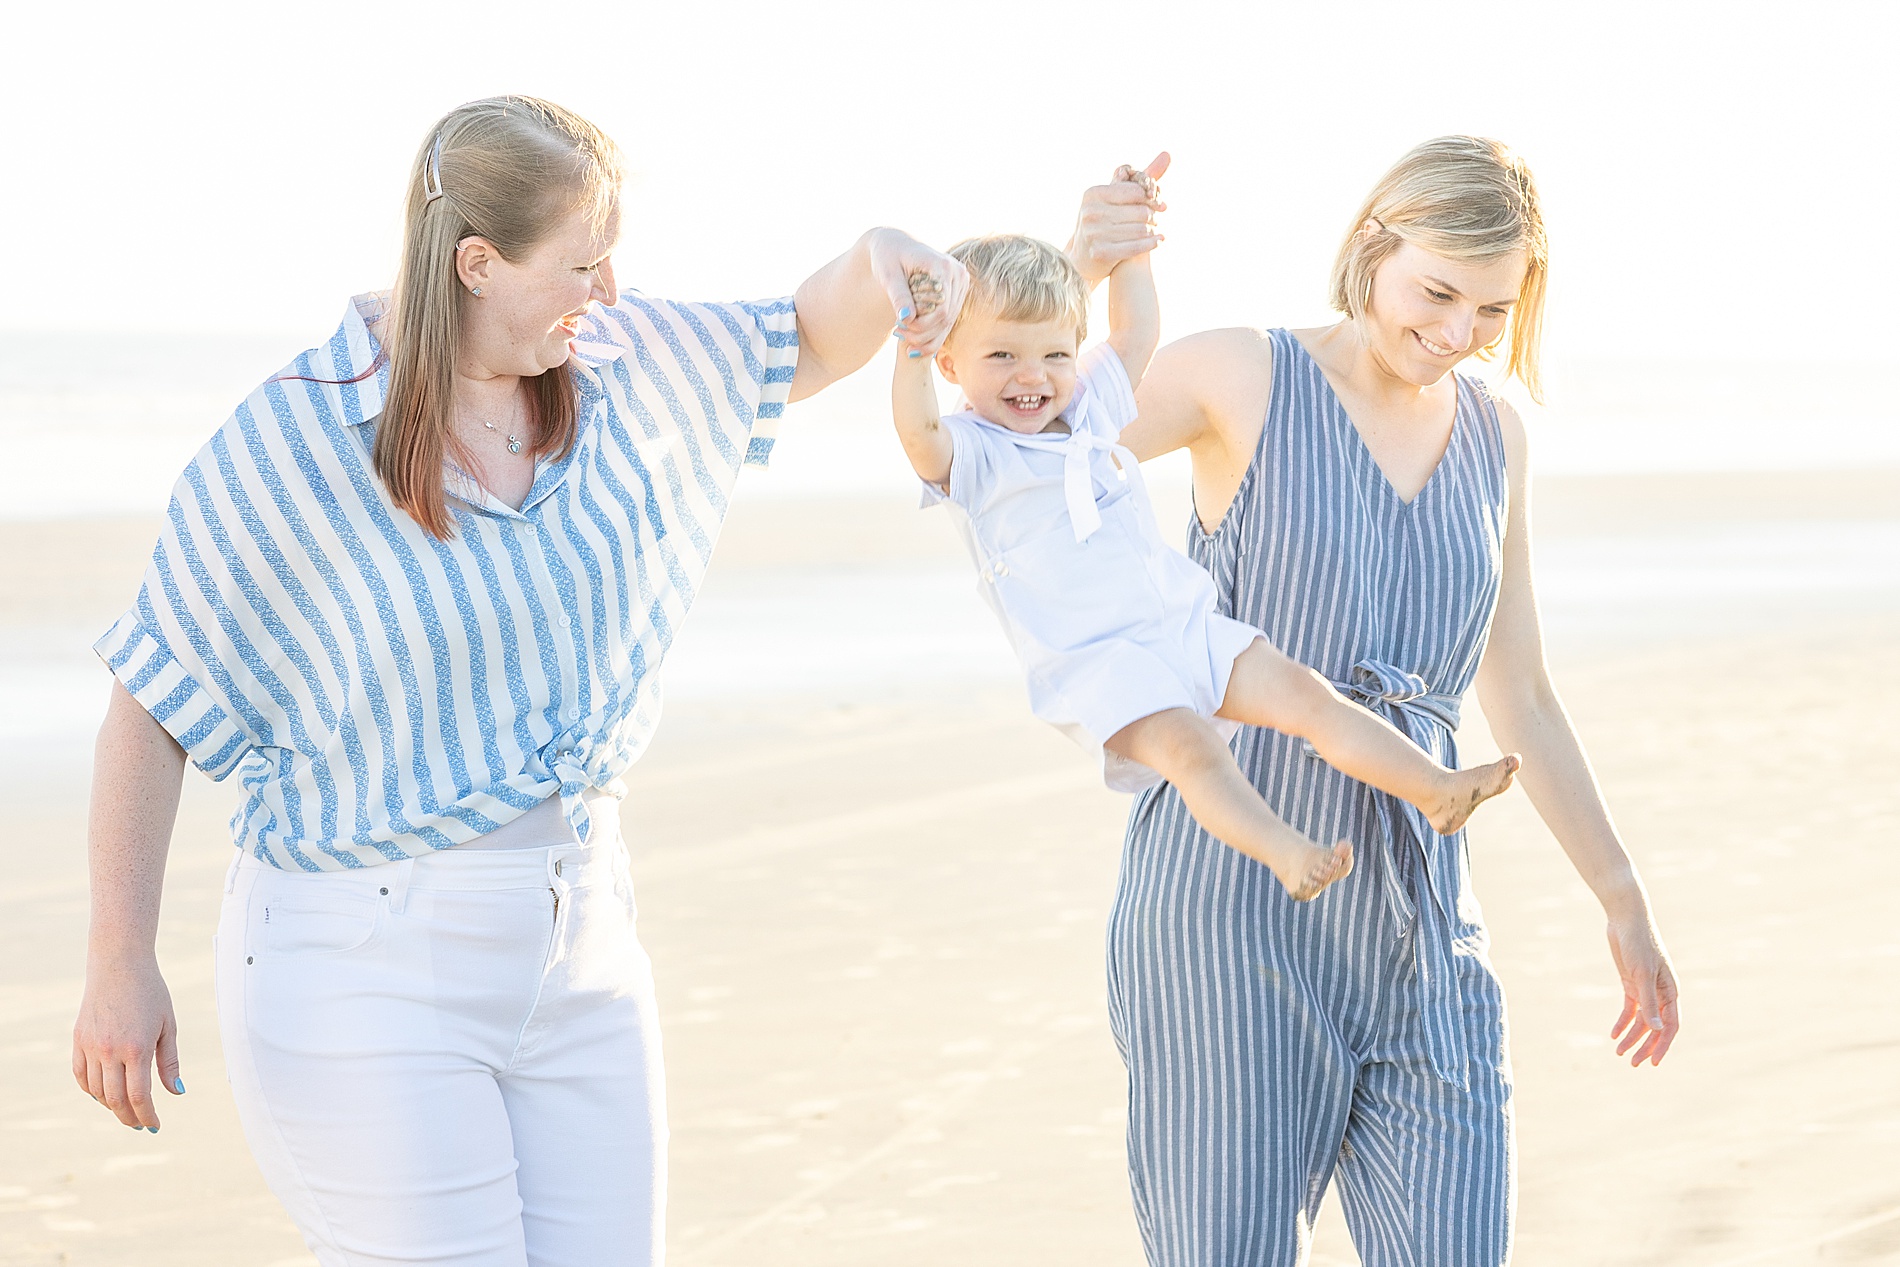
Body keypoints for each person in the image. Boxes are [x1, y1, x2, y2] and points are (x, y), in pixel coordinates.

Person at [70, 95, 976, 1267]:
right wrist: (117, 962)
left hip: (586, 949)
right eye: (583, 265)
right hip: (363, 974)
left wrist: (885, 257)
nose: (609, 292)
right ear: (477, 264)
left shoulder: (620, 365)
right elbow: (150, 705)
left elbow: (803, 331)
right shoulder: (292, 443)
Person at [1071, 137, 1683, 1265]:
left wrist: (1621, 894)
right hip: (1232, 897)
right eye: (1436, 292)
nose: (1457, 333)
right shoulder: (1238, 373)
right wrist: (1083, 270)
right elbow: (1038, 450)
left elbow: (1523, 694)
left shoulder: (1496, 435)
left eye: (1492, 308)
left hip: (1420, 917)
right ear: (1372, 246)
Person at [891, 215, 1522, 903]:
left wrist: (1133, 243)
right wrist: (912, 349)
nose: (1032, 377)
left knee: (1307, 692)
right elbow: (918, 433)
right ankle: (1286, 852)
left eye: (1054, 355)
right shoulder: (977, 453)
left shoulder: (1088, 409)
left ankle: (1435, 789)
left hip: (1181, 622)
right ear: (952, 364)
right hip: (1101, 663)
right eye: (1002, 357)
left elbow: (1135, 333)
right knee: (1194, 749)